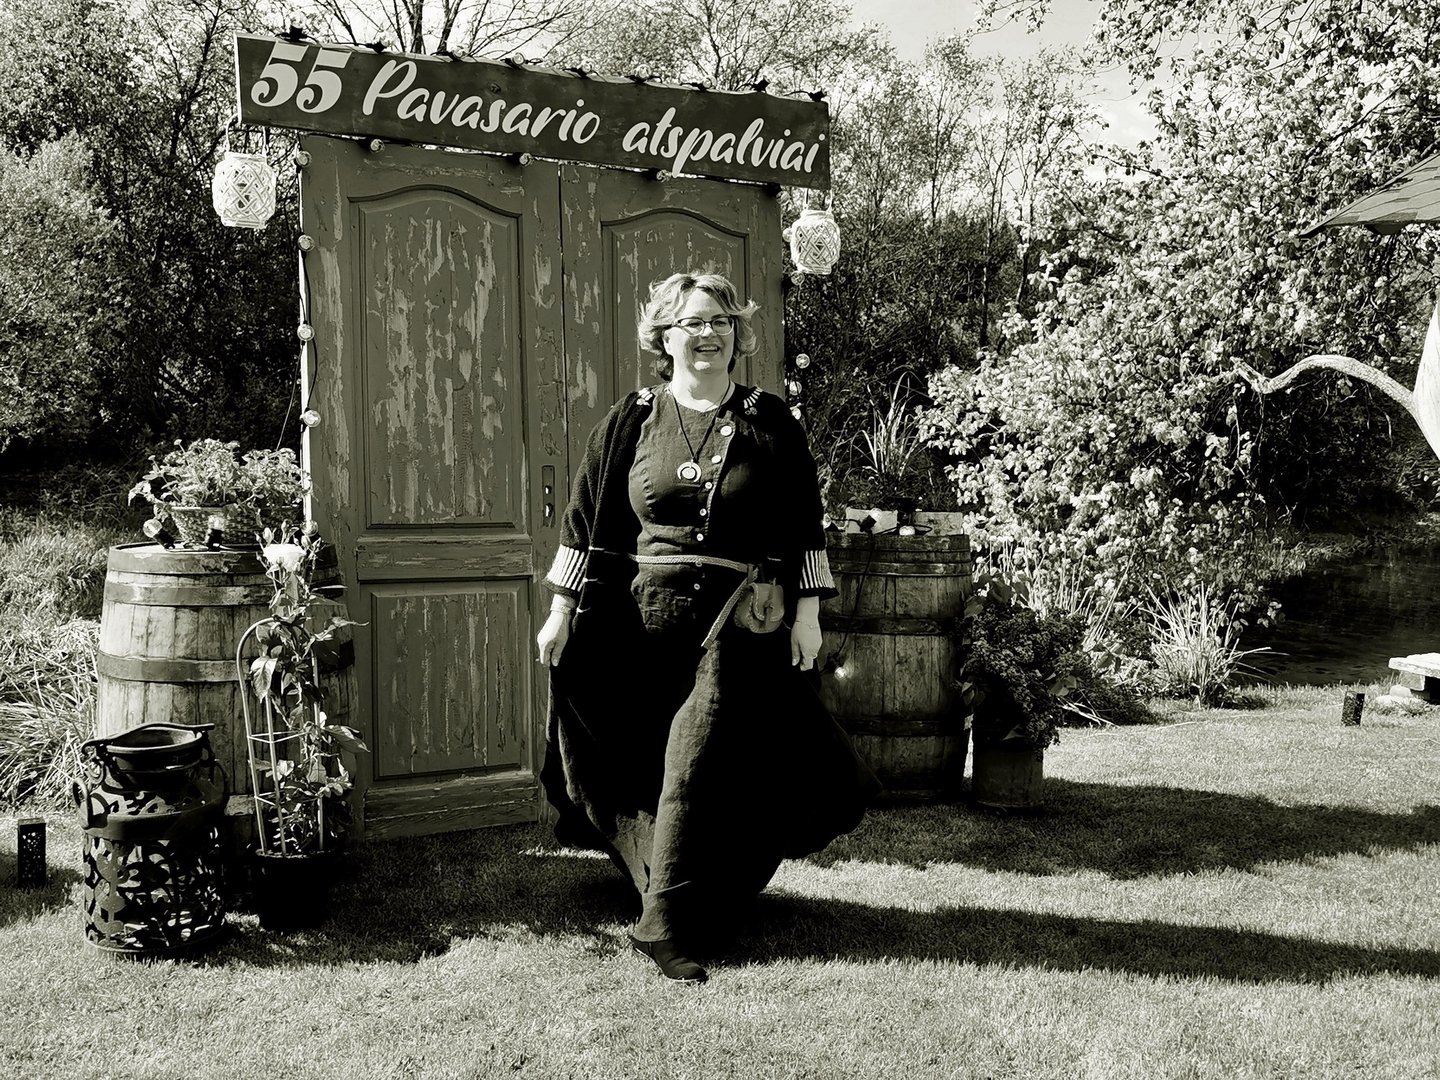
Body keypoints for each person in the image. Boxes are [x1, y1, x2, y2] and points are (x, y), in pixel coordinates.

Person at [536, 270, 879, 985]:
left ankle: (663, 927)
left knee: (703, 762)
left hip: (737, 624)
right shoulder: (631, 418)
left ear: (736, 335)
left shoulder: (768, 419)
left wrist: (808, 613)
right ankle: (673, 891)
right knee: (651, 765)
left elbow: (802, 521)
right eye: (692, 322)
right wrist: (562, 612)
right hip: (639, 626)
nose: (708, 334)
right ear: (664, 337)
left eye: (721, 321)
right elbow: (585, 520)